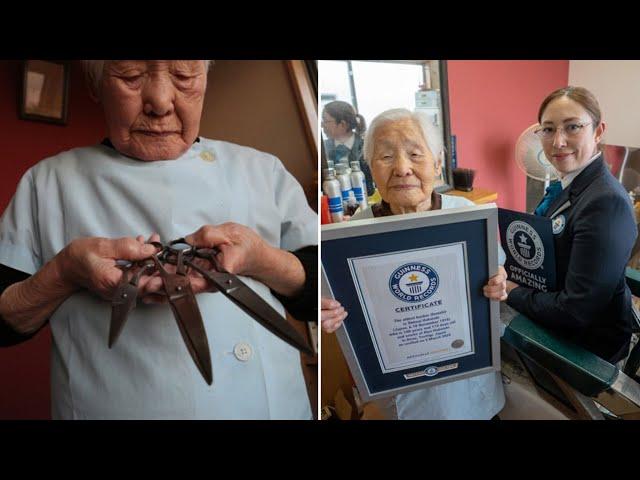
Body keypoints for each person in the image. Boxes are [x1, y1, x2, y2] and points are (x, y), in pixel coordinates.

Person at [0, 60, 317, 419]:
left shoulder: (263, 171)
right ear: (98, 84)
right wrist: (64, 273)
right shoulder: (47, 184)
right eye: (131, 77)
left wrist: (263, 260)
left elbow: (319, 296)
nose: (161, 102)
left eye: (184, 76)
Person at [321, 108, 507, 419]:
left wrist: (497, 283)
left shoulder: (467, 216)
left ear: (437, 163)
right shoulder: (354, 232)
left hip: (468, 382)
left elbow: (496, 274)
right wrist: (330, 311)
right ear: (371, 169)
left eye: (414, 154)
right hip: (400, 392)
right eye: (385, 156)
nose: (402, 168)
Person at [504, 86, 637, 364]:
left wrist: (512, 291)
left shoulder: (605, 204)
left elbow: (576, 312)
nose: (558, 142)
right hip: (552, 306)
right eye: (548, 129)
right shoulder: (567, 185)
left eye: (572, 127)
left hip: (588, 345)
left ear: (598, 131)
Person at [322, 100, 375, 196]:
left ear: (343, 124)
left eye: (326, 121)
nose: (322, 125)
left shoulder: (367, 147)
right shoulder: (322, 149)